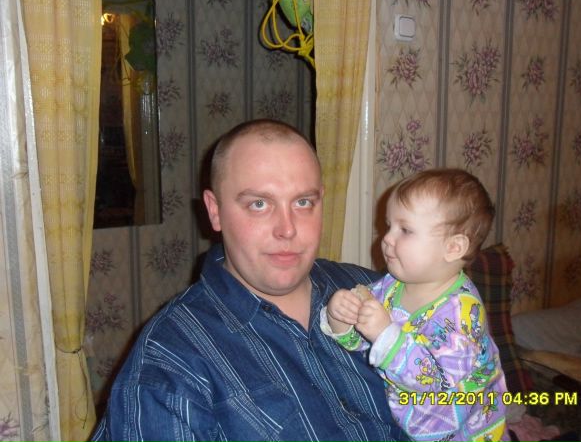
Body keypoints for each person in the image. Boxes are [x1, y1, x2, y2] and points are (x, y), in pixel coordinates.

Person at [91, 119, 408, 442]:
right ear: (215, 211)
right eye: (259, 204)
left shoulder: (383, 291)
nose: (287, 229)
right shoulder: (169, 365)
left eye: (303, 202)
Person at [321, 169, 509, 442]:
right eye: (389, 226)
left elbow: (437, 383)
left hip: (466, 431)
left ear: (453, 248)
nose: (387, 238)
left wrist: (386, 335)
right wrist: (341, 317)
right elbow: (361, 341)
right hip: (407, 420)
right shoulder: (391, 286)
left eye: (405, 230)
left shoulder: (462, 314)